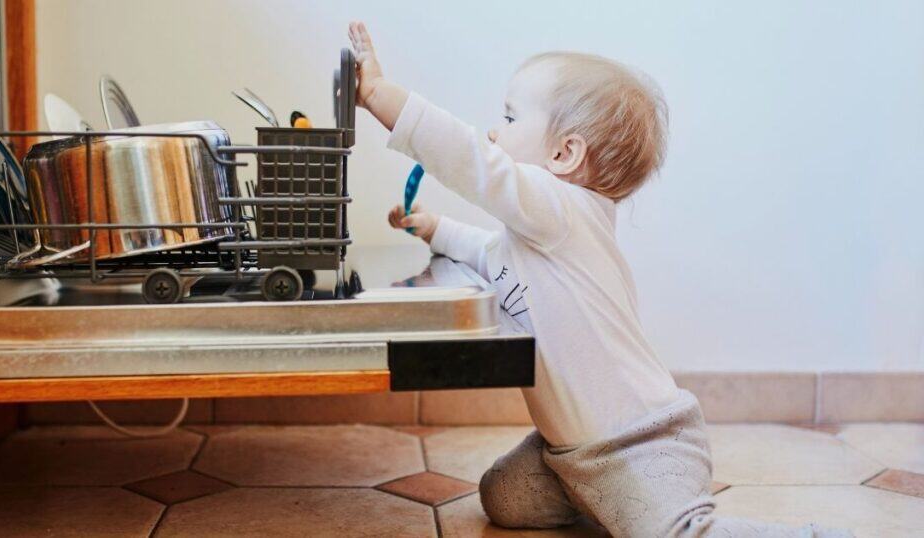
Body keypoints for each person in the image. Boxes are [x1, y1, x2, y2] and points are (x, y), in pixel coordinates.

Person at [350, 21, 850, 537]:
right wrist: (433, 228)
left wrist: (380, 96)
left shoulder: (562, 211)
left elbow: (469, 158)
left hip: (643, 442)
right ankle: (603, 501)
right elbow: (484, 251)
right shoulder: (536, 233)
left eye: (509, 117)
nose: (495, 132)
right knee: (503, 496)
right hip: (570, 452)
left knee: (675, 535)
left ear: (563, 155)